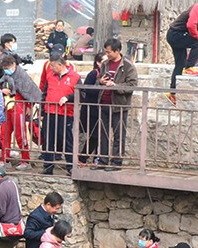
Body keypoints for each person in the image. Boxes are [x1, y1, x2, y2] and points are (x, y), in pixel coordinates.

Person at [90, 38, 137, 171]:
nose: (107, 54)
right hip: (104, 103)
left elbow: (132, 85)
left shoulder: (128, 66)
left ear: (117, 51)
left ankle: (116, 162)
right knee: (103, 134)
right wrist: (102, 82)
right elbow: (98, 80)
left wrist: (116, 86)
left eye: (109, 52)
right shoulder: (105, 64)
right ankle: (103, 160)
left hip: (119, 105)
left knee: (118, 135)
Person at [0, 53, 42, 170]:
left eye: (7, 68)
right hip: (7, 107)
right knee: (4, 133)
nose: (6, 71)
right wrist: (2, 90)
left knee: (20, 135)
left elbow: (30, 91)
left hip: (19, 106)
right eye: (4, 69)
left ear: (13, 65)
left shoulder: (22, 75)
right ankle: (4, 158)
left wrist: (29, 106)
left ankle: (25, 160)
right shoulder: (5, 76)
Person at [41, 55, 81, 175]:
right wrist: (42, 112)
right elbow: (44, 94)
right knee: (48, 140)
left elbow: (82, 94)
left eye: (52, 66)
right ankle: (48, 167)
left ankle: (70, 167)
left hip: (66, 113)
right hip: (50, 111)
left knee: (67, 140)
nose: (51, 68)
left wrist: (69, 98)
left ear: (60, 65)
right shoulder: (50, 76)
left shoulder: (75, 77)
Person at [78, 52, 105, 165]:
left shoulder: (105, 74)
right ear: (98, 63)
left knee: (100, 135)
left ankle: (95, 158)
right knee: (94, 135)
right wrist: (100, 86)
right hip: (91, 109)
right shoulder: (93, 74)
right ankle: (83, 157)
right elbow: (86, 89)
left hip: (100, 109)